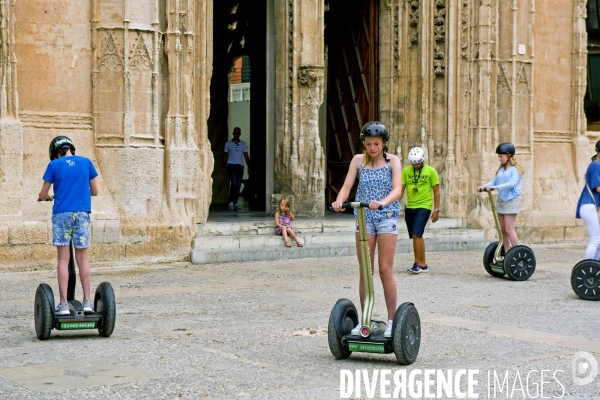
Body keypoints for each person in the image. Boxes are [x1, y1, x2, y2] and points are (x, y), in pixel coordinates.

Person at [331, 121, 401, 338]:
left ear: (384, 143)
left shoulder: (393, 162)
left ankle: (391, 321)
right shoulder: (358, 161)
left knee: (384, 269)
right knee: (365, 272)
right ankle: (365, 319)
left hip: (386, 217)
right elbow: (347, 186)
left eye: (377, 144)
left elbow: (398, 189)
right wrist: (339, 200)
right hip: (363, 218)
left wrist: (382, 202)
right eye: (369, 144)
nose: (372, 148)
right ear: (364, 143)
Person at [38, 136, 99, 316]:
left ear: (57, 153)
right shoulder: (86, 162)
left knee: (63, 260)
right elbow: (95, 191)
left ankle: (63, 303)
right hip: (81, 214)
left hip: (62, 215)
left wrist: (47, 197)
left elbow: (42, 193)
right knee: (83, 259)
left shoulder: (54, 165)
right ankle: (87, 301)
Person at [477, 142, 524, 254]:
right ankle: (507, 253)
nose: (499, 158)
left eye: (501, 156)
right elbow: (494, 181)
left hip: (512, 200)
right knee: (502, 229)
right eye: (499, 156)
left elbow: (512, 184)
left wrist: (496, 187)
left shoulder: (516, 170)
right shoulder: (501, 170)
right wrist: (484, 186)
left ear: (508, 155)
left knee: (509, 229)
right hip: (502, 200)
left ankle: (517, 254)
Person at [401, 147, 440, 274]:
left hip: (424, 206)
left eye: (417, 163)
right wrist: (394, 204)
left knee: (416, 233)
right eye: (413, 163)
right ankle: (423, 264)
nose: (415, 165)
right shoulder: (406, 171)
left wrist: (437, 210)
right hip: (410, 206)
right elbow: (401, 190)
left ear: (422, 160)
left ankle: (417, 263)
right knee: (415, 236)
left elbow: (436, 191)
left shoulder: (430, 171)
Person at [576, 140, 600, 260]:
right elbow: (598, 188)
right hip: (588, 205)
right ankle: (588, 267)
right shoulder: (595, 165)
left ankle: (595, 268)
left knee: (598, 241)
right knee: (595, 240)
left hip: (590, 206)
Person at [222, 127, 251, 211]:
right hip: (231, 165)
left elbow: (246, 156)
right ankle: (230, 202)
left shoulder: (243, 144)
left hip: (240, 166)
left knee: (238, 185)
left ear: (240, 134)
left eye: (238, 133)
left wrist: (249, 166)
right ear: (233, 133)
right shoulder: (228, 144)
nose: (237, 134)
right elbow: (225, 156)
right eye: (235, 133)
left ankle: (235, 202)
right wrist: (224, 167)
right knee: (234, 183)